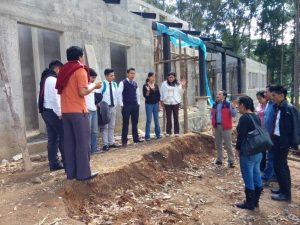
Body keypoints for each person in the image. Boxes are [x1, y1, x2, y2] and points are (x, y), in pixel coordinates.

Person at [56, 46, 102, 181]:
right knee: (82, 143)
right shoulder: (79, 69)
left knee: (69, 143)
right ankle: (84, 174)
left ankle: (71, 173)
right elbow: (82, 91)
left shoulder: (63, 70)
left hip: (66, 112)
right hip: (78, 111)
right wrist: (94, 86)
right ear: (80, 57)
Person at [270, 85, 299, 201]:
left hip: (283, 142)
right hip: (277, 139)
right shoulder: (279, 107)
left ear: (281, 95)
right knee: (281, 166)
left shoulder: (289, 108)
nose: (272, 97)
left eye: (274, 95)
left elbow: (296, 126)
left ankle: (286, 194)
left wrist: (294, 142)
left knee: (280, 166)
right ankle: (283, 188)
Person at [235, 96, 263, 210]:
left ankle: (249, 203)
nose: (237, 107)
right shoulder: (256, 116)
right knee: (256, 174)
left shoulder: (244, 118)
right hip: (258, 151)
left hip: (248, 152)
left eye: (238, 105)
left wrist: (237, 149)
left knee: (248, 177)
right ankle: (255, 201)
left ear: (242, 105)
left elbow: (240, 136)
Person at [38, 60, 65, 171]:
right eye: (61, 70)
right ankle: (67, 161)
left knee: (53, 138)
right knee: (63, 136)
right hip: (52, 112)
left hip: (45, 111)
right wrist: (60, 113)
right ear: (57, 68)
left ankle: (53, 163)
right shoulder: (53, 80)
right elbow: (55, 99)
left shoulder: (44, 79)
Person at [211, 90, 236, 168]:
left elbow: (234, 114)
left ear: (224, 96)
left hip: (226, 127)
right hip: (217, 126)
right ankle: (219, 160)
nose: (217, 95)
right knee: (218, 144)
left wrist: (233, 107)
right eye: (218, 94)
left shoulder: (228, 104)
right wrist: (212, 124)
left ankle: (231, 161)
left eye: (219, 94)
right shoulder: (215, 104)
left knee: (228, 144)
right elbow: (212, 114)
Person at [118, 68, 143, 146]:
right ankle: (124, 141)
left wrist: (138, 103)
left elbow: (138, 94)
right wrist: (121, 104)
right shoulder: (123, 83)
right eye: (131, 73)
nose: (133, 75)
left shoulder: (135, 83)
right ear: (127, 74)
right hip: (126, 106)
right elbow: (119, 94)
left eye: (134, 73)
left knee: (135, 123)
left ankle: (136, 139)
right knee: (125, 123)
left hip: (135, 105)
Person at [98, 68, 120, 151]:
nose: (113, 77)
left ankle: (111, 142)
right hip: (105, 108)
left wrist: (115, 105)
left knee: (112, 126)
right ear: (106, 76)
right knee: (105, 126)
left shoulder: (114, 84)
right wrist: (100, 106)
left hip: (113, 107)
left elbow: (116, 96)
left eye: (113, 75)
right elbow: (97, 95)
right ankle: (105, 144)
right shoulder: (102, 84)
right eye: (111, 75)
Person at [160, 72, 185, 137]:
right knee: (168, 117)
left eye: (172, 77)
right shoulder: (164, 84)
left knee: (176, 117)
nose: (171, 79)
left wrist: (183, 85)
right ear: (167, 77)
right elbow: (161, 92)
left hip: (175, 102)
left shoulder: (178, 84)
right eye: (170, 77)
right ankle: (168, 131)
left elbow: (181, 92)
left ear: (174, 78)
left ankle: (176, 132)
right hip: (167, 102)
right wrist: (161, 100)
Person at [261, 85, 276, 184]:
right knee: (270, 156)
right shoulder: (269, 103)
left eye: (267, 92)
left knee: (271, 157)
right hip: (267, 135)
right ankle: (274, 175)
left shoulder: (276, 105)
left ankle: (266, 177)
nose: (265, 94)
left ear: (272, 93)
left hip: (273, 136)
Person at [143, 72, 161, 141]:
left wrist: (159, 105)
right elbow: (145, 96)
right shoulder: (145, 86)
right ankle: (147, 136)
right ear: (148, 77)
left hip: (156, 104)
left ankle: (158, 134)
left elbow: (158, 96)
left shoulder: (156, 85)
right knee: (149, 120)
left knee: (156, 120)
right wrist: (148, 91)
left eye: (154, 77)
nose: (153, 78)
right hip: (149, 105)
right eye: (152, 77)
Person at [85, 68, 99, 154]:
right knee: (88, 131)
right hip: (87, 110)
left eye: (94, 77)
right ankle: (88, 149)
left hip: (94, 110)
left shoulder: (94, 85)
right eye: (92, 77)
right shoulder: (85, 85)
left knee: (94, 131)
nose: (93, 79)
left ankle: (94, 148)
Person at [256, 90, 267, 172]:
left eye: (260, 98)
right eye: (258, 99)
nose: (259, 100)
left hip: (267, 130)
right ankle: (261, 166)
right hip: (259, 130)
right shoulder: (260, 105)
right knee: (261, 150)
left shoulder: (269, 106)